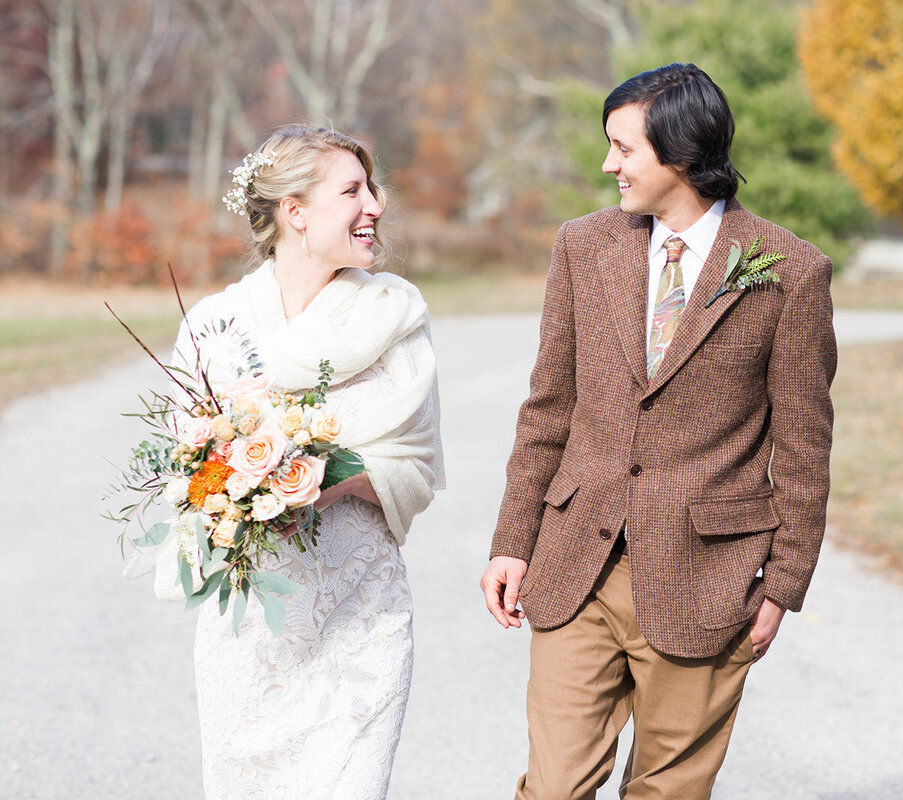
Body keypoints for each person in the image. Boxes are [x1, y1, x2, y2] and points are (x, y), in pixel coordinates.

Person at [480, 63, 837, 799]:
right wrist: (513, 540)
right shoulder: (583, 247)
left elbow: (804, 447)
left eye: (623, 148)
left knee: (667, 793)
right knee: (554, 789)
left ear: (680, 154)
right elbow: (548, 407)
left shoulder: (790, 272)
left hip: (708, 579)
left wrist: (785, 584)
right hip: (576, 566)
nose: (608, 164)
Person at [173, 124, 444, 799]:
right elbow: (187, 465)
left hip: (360, 615)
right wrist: (239, 483)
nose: (375, 205)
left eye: (372, 188)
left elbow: (417, 462)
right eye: (353, 190)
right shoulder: (215, 325)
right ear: (296, 212)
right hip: (251, 629)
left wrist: (331, 481)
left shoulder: (394, 314)